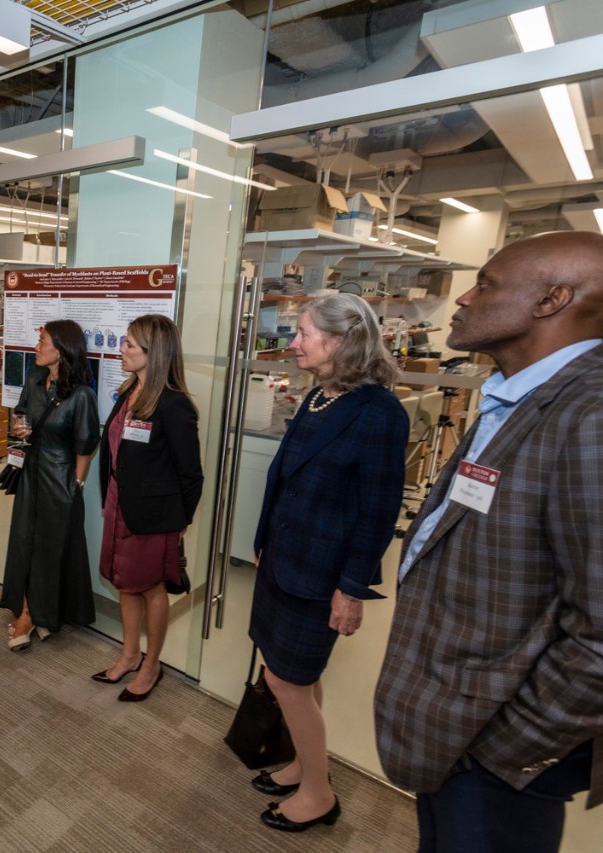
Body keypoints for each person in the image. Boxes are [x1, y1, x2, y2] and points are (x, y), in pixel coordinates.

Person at [375, 231, 603, 853]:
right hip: (455, 725)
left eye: (488, 283)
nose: (465, 297)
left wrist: (509, 747)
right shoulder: (520, 396)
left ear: (552, 300)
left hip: (499, 750)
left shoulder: (590, 418)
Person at [248, 292, 407, 832]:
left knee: (286, 680)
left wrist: (351, 588)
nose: (293, 343)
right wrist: (264, 538)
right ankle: (300, 763)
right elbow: (286, 478)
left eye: (304, 334)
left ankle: (318, 793)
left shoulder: (379, 413)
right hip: (284, 559)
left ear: (341, 341)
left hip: (321, 571)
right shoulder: (320, 396)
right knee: (294, 674)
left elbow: (378, 512)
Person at [92, 315, 203, 701]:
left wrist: (180, 520)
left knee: (151, 588)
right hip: (120, 503)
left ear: (154, 355)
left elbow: (191, 474)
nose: (121, 349)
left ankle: (152, 666)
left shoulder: (174, 405)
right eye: (124, 342)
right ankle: (129, 654)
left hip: (154, 515)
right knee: (124, 581)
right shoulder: (128, 392)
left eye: (130, 345)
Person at [0, 319, 101, 650]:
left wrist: (77, 485)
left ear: (62, 350)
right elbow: (20, 415)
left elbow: (85, 445)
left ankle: (41, 613)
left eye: (42, 341)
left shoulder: (82, 395)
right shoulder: (34, 380)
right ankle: (30, 612)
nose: (37, 347)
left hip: (60, 480)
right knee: (24, 543)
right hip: (30, 473)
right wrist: (19, 427)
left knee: (52, 550)